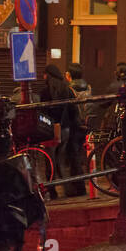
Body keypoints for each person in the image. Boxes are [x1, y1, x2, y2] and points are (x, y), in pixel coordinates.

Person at [41, 65, 86, 197]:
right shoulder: (67, 90)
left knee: (49, 160)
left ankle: (52, 191)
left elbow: (42, 111)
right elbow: (73, 111)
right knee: (61, 160)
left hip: (50, 130)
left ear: (48, 75)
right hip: (65, 129)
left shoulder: (45, 92)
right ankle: (69, 189)